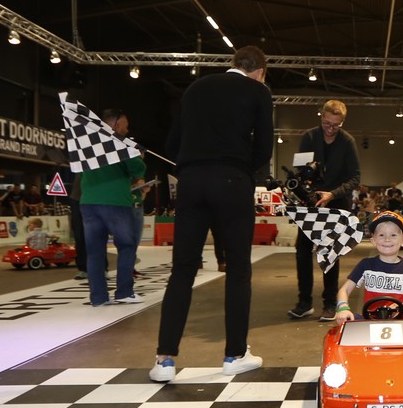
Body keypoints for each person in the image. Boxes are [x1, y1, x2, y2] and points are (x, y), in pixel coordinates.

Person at [153, 45, 274, 382]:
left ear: (234, 63)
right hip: (233, 180)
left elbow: (172, 143)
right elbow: (264, 147)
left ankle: (164, 360)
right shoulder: (258, 91)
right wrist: (241, 168)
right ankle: (235, 354)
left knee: (182, 269)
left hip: (191, 181)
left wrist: (192, 165)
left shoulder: (195, 88)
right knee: (238, 269)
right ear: (260, 72)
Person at [289, 99, 362, 322]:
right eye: (326, 123)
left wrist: (333, 193)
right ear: (321, 116)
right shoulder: (309, 137)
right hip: (311, 202)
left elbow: (355, 178)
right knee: (302, 250)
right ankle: (304, 302)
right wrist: (306, 188)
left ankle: (330, 303)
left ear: (342, 122)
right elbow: (300, 170)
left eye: (335, 125)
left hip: (336, 202)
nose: (330, 129)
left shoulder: (347, 142)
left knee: (330, 253)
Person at [80, 109, 147, 307]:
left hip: (88, 202)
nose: (127, 130)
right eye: (126, 125)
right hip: (115, 202)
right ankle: (124, 292)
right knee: (126, 246)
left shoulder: (87, 142)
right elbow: (138, 169)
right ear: (116, 125)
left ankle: (98, 297)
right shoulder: (117, 142)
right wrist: (139, 156)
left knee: (94, 251)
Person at [333, 212, 403, 324]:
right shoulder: (366, 265)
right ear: (373, 241)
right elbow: (344, 290)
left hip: (401, 321)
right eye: (381, 235)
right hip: (371, 319)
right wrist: (343, 308)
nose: (387, 239)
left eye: (393, 235)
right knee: (342, 328)